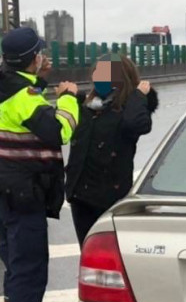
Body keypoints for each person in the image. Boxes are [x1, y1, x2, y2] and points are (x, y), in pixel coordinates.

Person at [0, 27, 80, 302]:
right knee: (28, 268)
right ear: (32, 58)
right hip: (23, 193)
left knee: (15, 265)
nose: (45, 56)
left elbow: (25, 102)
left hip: (3, 190)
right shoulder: (22, 95)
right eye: (41, 52)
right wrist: (68, 97)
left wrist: (39, 82)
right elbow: (59, 130)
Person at [65, 52, 158, 247]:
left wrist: (138, 96)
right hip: (80, 196)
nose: (96, 78)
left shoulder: (128, 109)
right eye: (96, 73)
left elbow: (136, 125)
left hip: (109, 197)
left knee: (108, 258)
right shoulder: (87, 106)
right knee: (88, 254)